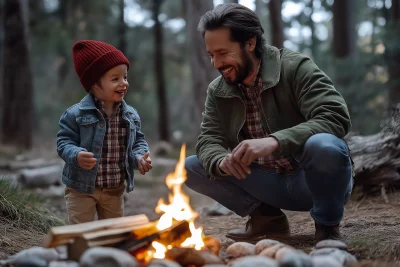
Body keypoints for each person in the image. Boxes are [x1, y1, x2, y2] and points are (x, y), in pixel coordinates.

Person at [184, 3, 354, 243]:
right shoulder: (218, 90)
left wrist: (274, 141)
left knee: (324, 146)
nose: (216, 64)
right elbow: (209, 139)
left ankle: (327, 229)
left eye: (223, 53)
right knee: (192, 167)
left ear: (250, 43)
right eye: (211, 55)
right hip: (266, 183)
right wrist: (220, 161)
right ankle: (267, 220)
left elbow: (334, 116)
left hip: (311, 181)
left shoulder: (295, 67)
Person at [56, 40, 152, 224]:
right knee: (81, 234)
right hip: (81, 188)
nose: (123, 83)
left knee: (112, 233)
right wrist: (76, 154)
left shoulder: (130, 115)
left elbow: (137, 142)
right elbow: (63, 143)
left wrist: (140, 157)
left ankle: (108, 254)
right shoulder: (75, 114)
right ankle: (81, 253)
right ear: (94, 84)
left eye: (125, 77)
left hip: (114, 189)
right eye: (115, 79)